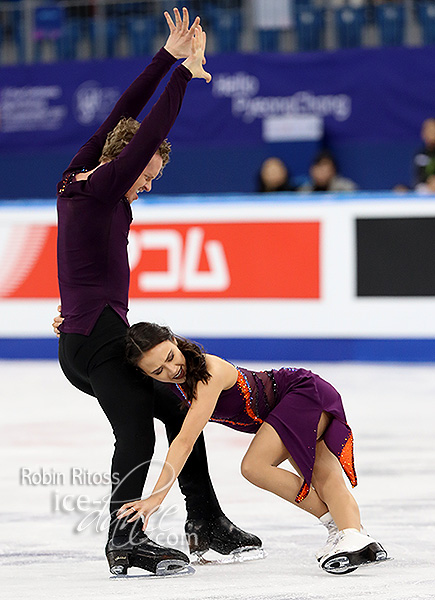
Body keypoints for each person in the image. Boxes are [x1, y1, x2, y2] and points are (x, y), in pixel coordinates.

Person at [55, 7, 260, 576]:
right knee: (136, 431)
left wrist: (166, 56)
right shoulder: (104, 187)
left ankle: (205, 519)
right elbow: (146, 130)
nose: (146, 187)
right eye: (147, 176)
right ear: (131, 164)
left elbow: (123, 114)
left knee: (177, 405)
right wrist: (184, 78)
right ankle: (125, 537)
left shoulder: (78, 174)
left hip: (88, 336)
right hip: (98, 337)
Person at [116, 322, 388, 575]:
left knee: (255, 467)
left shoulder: (207, 372)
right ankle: (355, 534)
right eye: (158, 371)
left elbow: (185, 440)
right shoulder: (180, 384)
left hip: (299, 394)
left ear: (174, 340)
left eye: (170, 356)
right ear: (146, 375)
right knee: (321, 475)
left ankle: (345, 531)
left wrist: (155, 498)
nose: (172, 369)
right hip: (289, 406)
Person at [413, 118, 435, 187]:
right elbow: (418, 180)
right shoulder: (420, 155)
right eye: (427, 131)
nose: (430, 134)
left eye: (433, 131)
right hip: (426, 190)